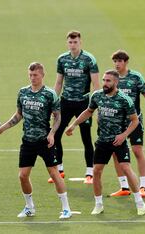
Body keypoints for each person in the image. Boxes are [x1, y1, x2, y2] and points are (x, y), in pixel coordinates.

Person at [0, 62, 72, 219]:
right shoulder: (23, 92)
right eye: (30, 75)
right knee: (23, 175)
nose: (32, 78)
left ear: (42, 75)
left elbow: (58, 118)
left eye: (35, 75)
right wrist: (3, 128)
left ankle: (66, 208)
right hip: (28, 141)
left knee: (54, 173)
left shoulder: (50, 94)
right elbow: (18, 115)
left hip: (45, 141)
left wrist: (52, 134)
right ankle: (29, 207)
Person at [65, 70, 145, 216]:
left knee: (126, 168)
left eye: (108, 81)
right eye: (104, 80)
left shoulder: (124, 99)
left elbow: (135, 120)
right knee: (96, 171)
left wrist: (124, 135)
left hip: (118, 141)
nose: (105, 83)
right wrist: (74, 124)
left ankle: (139, 202)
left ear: (116, 82)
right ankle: (98, 204)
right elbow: (89, 111)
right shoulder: (97, 96)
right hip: (102, 141)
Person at [109, 50, 145, 198]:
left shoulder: (135, 77)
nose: (117, 64)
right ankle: (124, 186)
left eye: (119, 61)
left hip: (134, 120)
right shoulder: (113, 78)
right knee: (115, 152)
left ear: (125, 62)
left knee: (137, 151)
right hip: (118, 122)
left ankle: (143, 185)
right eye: (115, 61)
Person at [51, 30, 100, 184]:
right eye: (70, 42)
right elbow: (59, 82)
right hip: (65, 102)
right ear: (67, 43)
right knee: (56, 134)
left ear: (80, 42)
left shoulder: (89, 59)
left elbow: (96, 85)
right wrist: (53, 102)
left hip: (83, 103)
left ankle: (89, 172)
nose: (73, 45)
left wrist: (96, 105)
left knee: (86, 137)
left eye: (75, 42)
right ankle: (59, 169)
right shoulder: (62, 59)